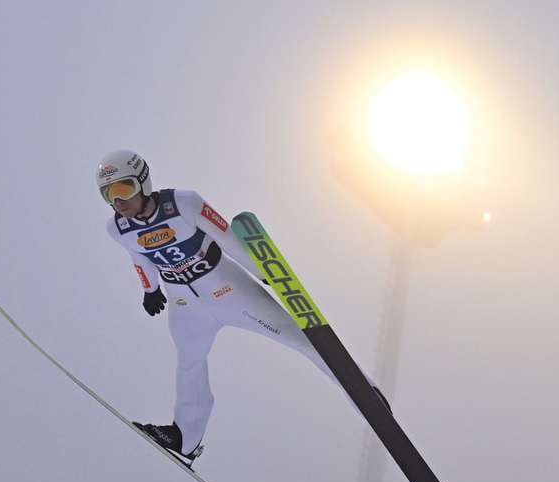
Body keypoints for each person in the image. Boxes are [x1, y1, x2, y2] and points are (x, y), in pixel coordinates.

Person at [98, 149, 388, 463]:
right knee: (188, 363)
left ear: (143, 181)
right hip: (185, 304)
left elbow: (227, 237)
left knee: (301, 337)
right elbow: (138, 258)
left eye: (122, 189)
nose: (118, 202)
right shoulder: (118, 229)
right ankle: (185, 438)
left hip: (227, 288)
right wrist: (150, 290)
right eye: (109, 195)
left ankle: (365, 395)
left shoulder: (183, 203)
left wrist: (265, 273)